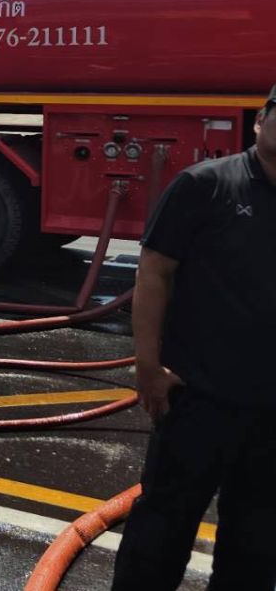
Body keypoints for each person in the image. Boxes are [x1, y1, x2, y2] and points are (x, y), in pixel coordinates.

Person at [110, 85, 276, 590]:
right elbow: (154, 272)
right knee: (160, 532)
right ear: (259, 121)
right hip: (197, 398)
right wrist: (147, 367)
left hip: (270, 414)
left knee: (254, 543)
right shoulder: (206, 185)